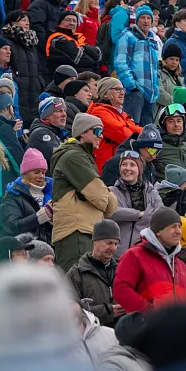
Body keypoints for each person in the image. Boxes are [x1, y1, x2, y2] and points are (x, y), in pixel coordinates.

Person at [48, 112, 119, 271]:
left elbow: (109, 205)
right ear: (82, 132)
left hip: (84, 231)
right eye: (97, 131)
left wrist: (103, 194)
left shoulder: (83, 157)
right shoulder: (73, 156)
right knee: (76, 289)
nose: (101, 136)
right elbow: (102, 199)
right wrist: (105, 193)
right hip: (76, 233)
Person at [113, 207, 186, 312]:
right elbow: (121, 290)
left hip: (178, 327)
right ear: (158, 231)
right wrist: (150, 313)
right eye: (173, 227)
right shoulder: (134, 256)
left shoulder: (182, 267)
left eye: (179, 227)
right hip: (146, 327)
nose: (179, 231)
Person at [65, 219, 124, 327]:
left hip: (122, 336)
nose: (113, 248)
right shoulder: (76, 273)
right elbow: (68, 311)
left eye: (116, 244)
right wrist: (105, 311)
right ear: (95, 240)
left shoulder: (123, 269)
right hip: (91, 336)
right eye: (109, 243)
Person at [110, 151, 165, 257]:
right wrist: (139, 214)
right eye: (124, 164)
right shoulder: (111, 191)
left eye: (132, 165)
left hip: (144, 255)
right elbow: (111, 212)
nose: (127, 168)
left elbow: (161, 216)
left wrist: (125, 214)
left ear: (139, 169)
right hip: (117, 256)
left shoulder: (151, 192)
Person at [0, 148, 54, 244]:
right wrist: (40, 216)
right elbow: (12, 226)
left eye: (43, 172)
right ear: (25, 174)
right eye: (36, 172)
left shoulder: (51, 194)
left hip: (47, 252)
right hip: (23, 251)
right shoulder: (13, 195)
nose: (41, 176)